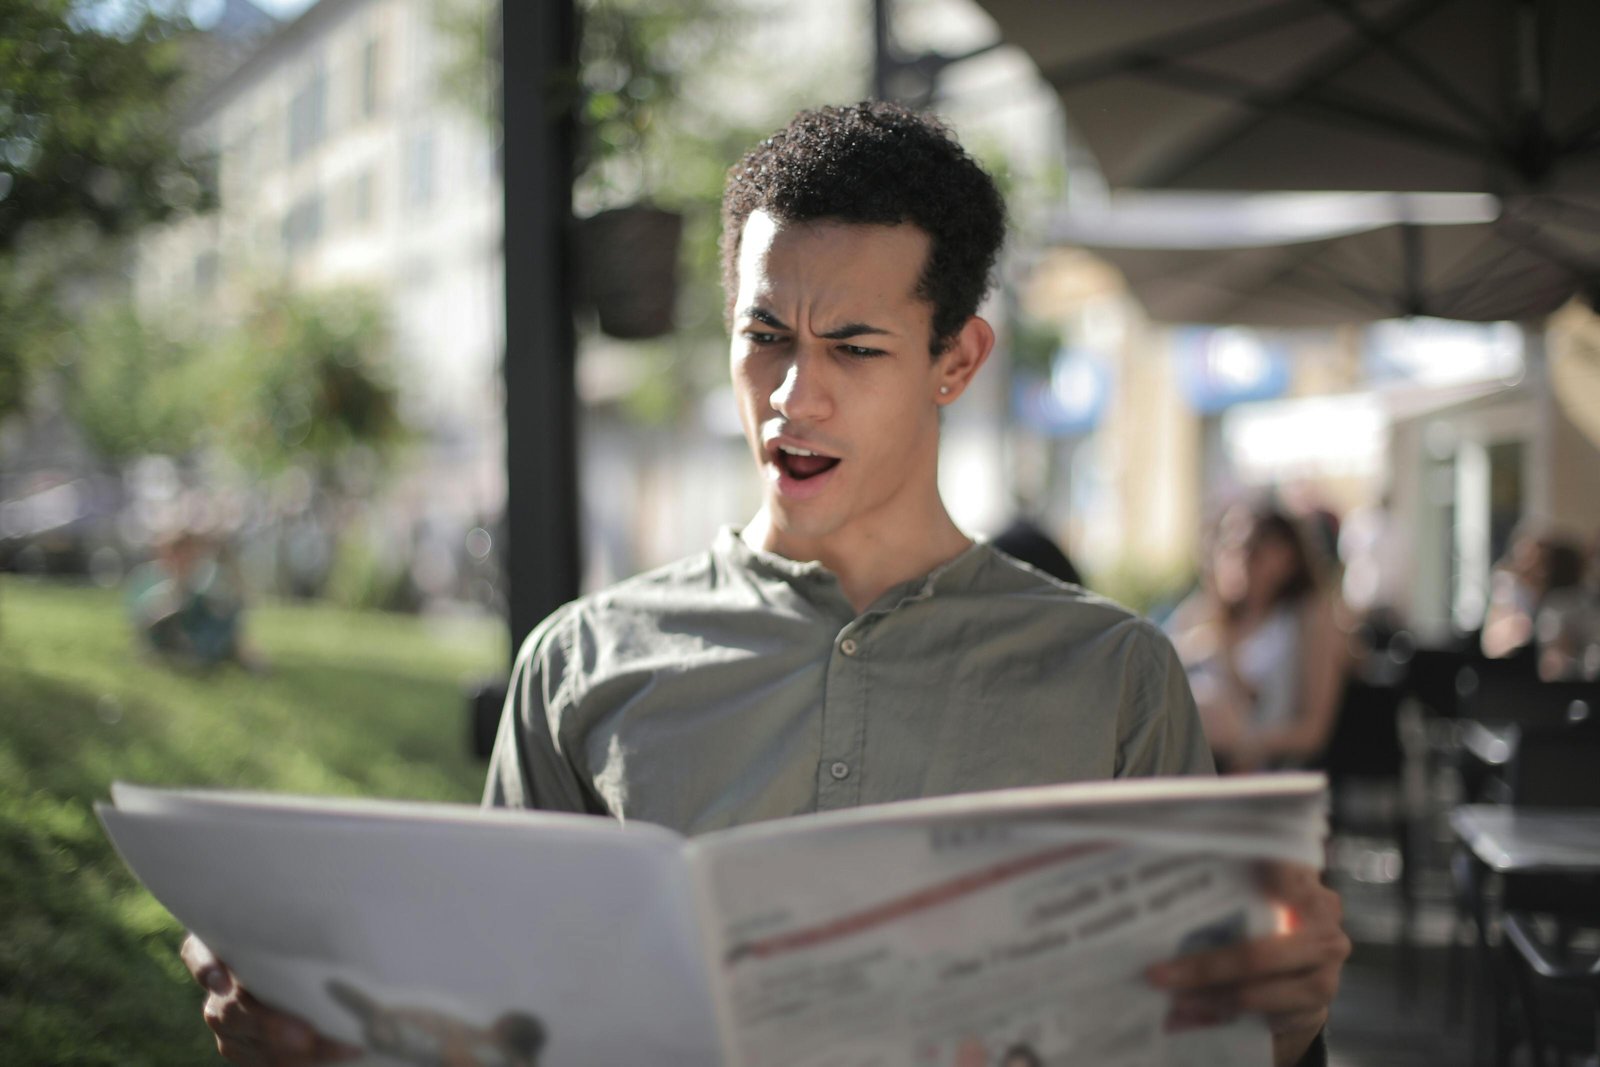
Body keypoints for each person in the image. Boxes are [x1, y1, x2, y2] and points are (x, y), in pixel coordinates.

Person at [183, 102, 1347, 1067]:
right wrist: (325, 1040)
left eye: (852, 345)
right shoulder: (579, 663)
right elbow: (502, 1030)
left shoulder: (1112, 675)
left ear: (956, 358)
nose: (793, 396)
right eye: (764, 337)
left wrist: (1286, 1023)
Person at [1168, 504, 1349, 773]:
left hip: (1263, 770)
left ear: (1288, 556)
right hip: (1196, 761)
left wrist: (1244, 744)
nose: (1238, 558)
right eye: (1227, 546)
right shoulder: (1205, 611)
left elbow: (1313, 732)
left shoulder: (1309, 617)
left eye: (1253, 548)